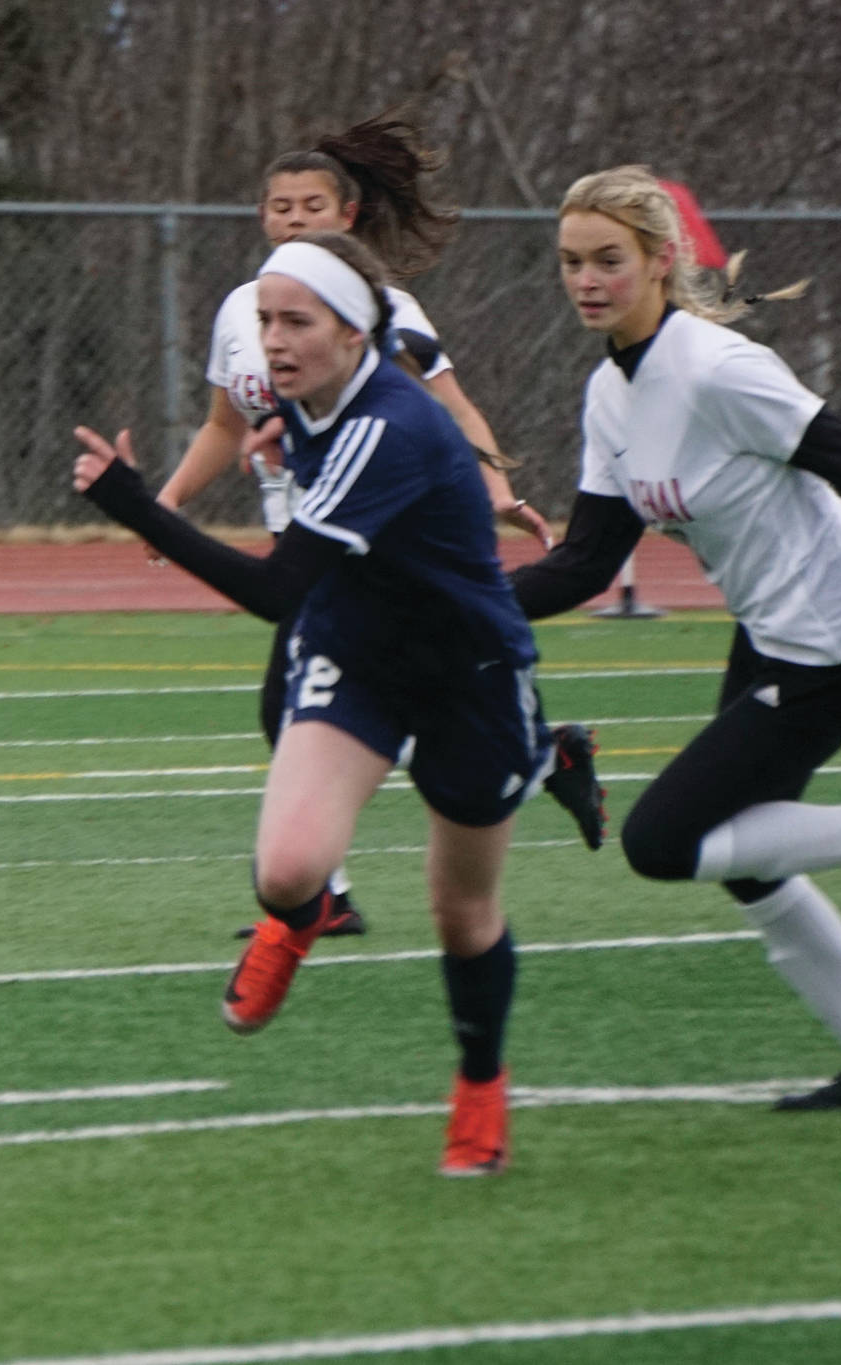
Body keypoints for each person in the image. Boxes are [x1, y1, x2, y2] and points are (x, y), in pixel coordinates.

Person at [75, 231, 556, 1174]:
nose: (274, 342)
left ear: (354, 331)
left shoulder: (393, 426)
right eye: (264, 321)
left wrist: (141, 507)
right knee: (289, 867)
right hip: (359, 651)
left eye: (297, 321)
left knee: (461, 912)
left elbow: (277, 588)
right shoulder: (311, 398)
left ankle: (480, 1085)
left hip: (469, 671)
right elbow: (311, 563)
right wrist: (271, 439)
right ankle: (295, 920)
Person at [508, 165, 841, 1111]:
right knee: (744, 861)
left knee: (663, 841)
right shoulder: (608, 391)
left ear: (660, 261)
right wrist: (457, 596)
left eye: (609, 259)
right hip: (773, 631)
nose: (587, 279)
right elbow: (588, 564)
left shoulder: (720, 369)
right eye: (570, 262)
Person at [155, 114, 606, 940]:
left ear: (349, 216)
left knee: (298, 705)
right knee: (312, 705)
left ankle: (326, 891)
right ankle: (546, 754)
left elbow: (444, 405)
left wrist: (495, 485)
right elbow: (226, 422)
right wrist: (169, 499)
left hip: (376, 542)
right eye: (279, 206)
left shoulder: (380, 310)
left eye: (311, 204)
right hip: (309, 531)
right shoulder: (245, 310)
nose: (293, 218)